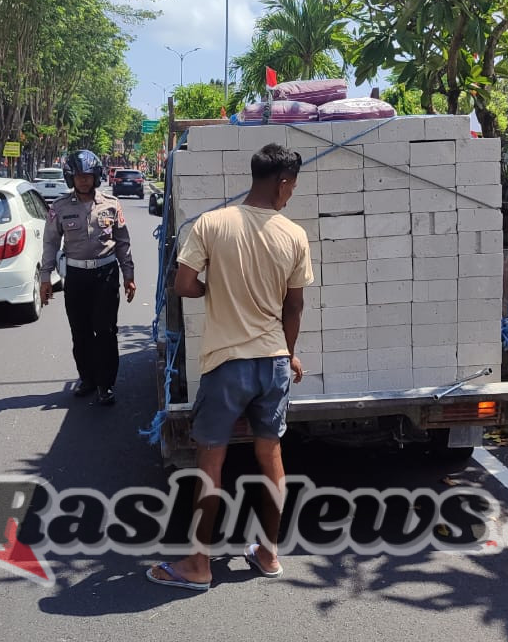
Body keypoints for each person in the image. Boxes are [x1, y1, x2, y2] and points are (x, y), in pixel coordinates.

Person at [146, 143, 313, 592]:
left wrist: (214, 287)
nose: (291, 195)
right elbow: (294, 307)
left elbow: (183, 284)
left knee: (211, 464)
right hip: (274, 363)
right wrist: (287, 350)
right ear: (280, 182)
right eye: (292, 186)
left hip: (226, 364)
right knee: (270, 456)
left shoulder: (212, 223)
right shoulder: (293, 234)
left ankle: (199, 564)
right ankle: (268, 552)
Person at [39, 149, 137, 406]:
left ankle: (106, 384)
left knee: (105, 331)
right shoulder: (59, 208)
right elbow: (50, 243)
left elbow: (123, 242)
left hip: (105, 275)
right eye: (78, 176)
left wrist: (128, 274)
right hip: (76, 277)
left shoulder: (111, 204)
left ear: (96, 177)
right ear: (71, 178)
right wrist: (45, 278)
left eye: (88, 176)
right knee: (80, 332)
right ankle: (88, 379)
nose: (84, 181)